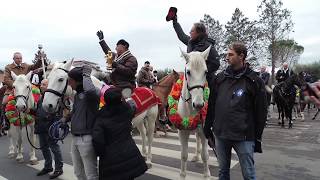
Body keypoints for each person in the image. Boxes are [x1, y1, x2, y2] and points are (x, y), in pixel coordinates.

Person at [204, 42, 267, 180]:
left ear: (241, 56)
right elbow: (212, 104)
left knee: (248, 175)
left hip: (244, 137)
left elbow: (261, 112)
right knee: (223, 173)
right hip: (221, 135)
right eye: (227, 54)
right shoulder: (220, 78)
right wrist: (207, 127)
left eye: (231, 54)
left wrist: (257, 137)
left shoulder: (255, 81)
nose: (227, 57)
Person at [92, 86, 147, 180]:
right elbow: (132, 105)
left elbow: (97, 140)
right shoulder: (127, 110)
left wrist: (101, 153)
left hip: (110, 158)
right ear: (120, 98)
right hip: (129, 152)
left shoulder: (101, 117)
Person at [64, 65, 99, 180]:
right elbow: (75, 112)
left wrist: (86, 74)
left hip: (86, 139)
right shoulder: (77, 95)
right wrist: (65, 119)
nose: (69, 83)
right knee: (78, 172)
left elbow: (89, 90)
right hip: (75, 138)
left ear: (78, 81)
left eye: (71, 81)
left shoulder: (92, 94)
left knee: (91, 175)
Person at [167, 7, 220, 81]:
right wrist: (175, 22)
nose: (189, 32)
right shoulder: (190, 42)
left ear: (198, 33)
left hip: (206, 82)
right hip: (191, 80)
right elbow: (181, 35)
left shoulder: (208, 46)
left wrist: (201, 72)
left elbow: (216, 63)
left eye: (192, 31)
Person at [34, 79, 63, 179]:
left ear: (49, 86)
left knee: (54, 148)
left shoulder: (55, 98)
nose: (41, 86)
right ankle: (48, 167)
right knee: (44, 148)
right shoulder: (41, 98)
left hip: (50, 128)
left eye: (44, 84)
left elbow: (59, 113)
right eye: (41, 84)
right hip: (41, 127)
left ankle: (59, 168)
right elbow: (38, 111)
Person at [96, 30, 138, 99]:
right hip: (115, 84)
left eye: (117, 46)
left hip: (126, 86)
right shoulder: (116, 56)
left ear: (124, 46)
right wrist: (102, 40)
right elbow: (108, 52)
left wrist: (115, 65)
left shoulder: (131, 58)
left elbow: (129, 72)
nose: (115, 48)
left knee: (121, 103)